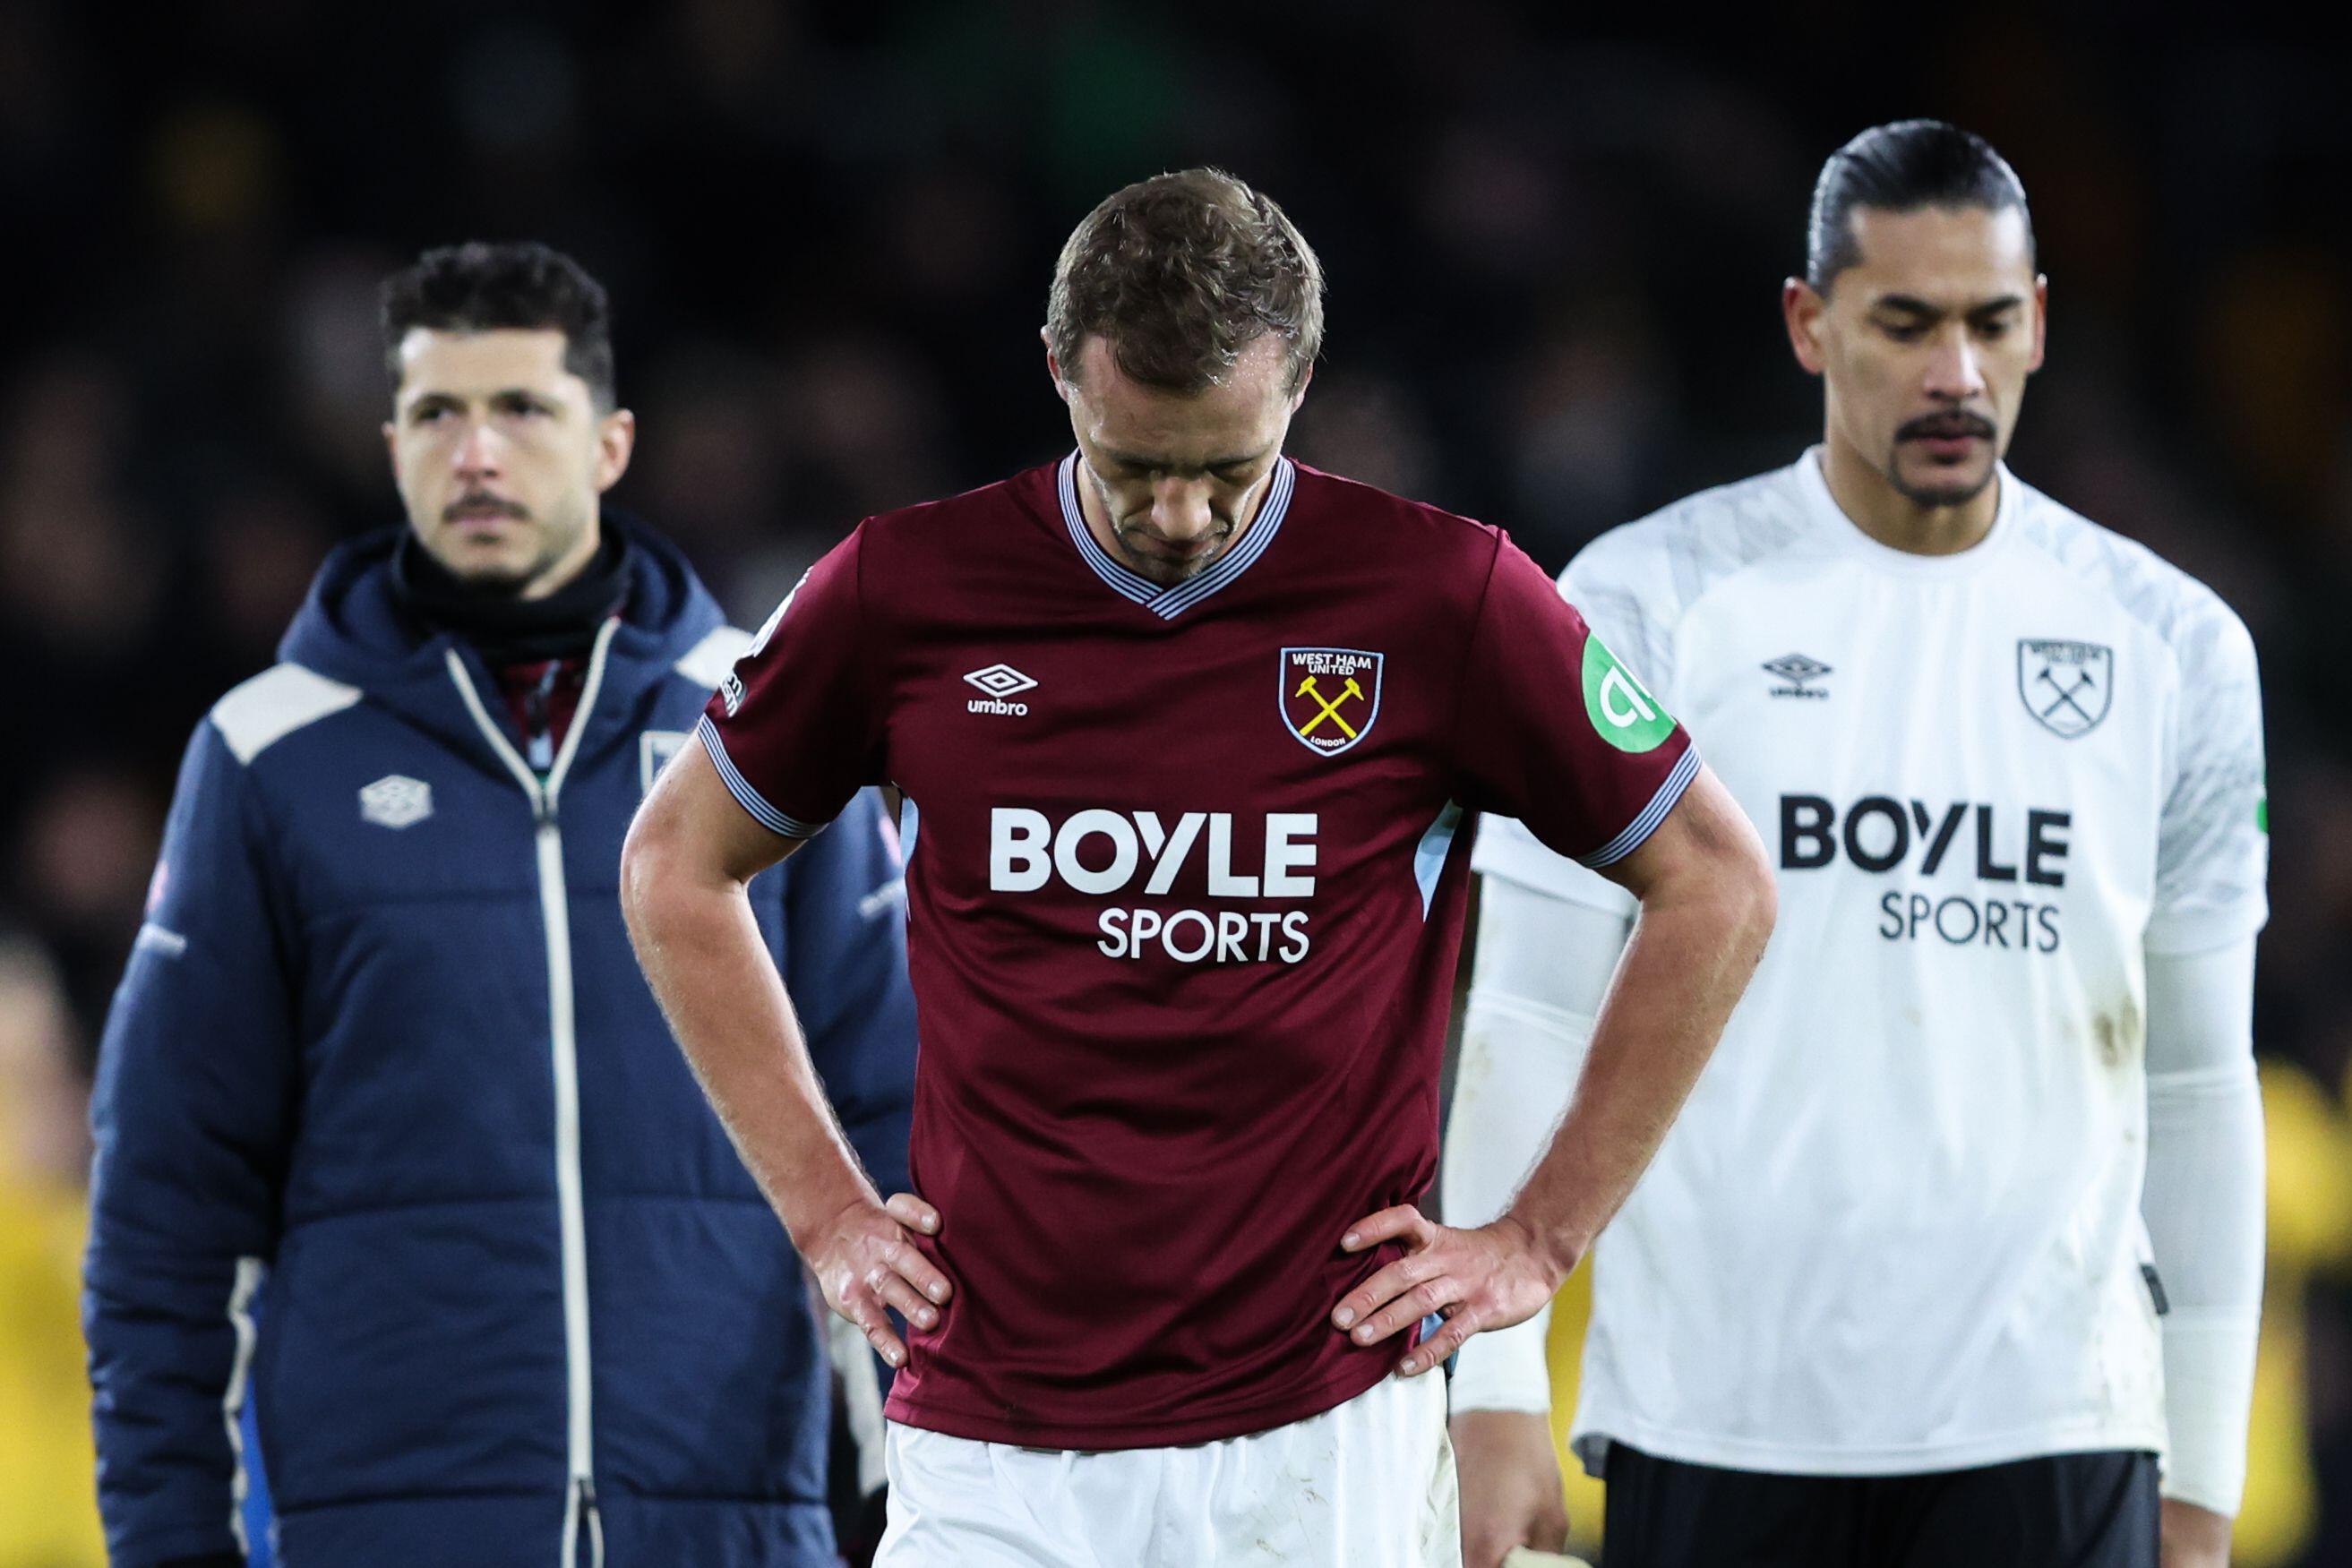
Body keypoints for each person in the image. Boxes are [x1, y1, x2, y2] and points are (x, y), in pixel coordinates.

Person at [618, 167, 1777, 1568]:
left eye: (1227, 470)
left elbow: (1716, 881)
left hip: (1319, 1429)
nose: (1178, 518)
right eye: (1133, 466)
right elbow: (677, 864)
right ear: (1058, 374)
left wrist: (1536, 1240)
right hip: (992, 1432)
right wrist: (823, 1215)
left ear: (1300, 381)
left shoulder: (1439, 599)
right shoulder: (901, 593)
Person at [1446, 121, 2267, 1568]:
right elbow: (1525, 1002)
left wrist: (2199, 1473)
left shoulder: (2172, 646)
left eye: (1988, 323)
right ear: (1808, 324)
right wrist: (1495, 1390)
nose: (1954, 372)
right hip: (1713, 1409)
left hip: (2055, 1418)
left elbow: (2200, 1082)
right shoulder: (1646, 605)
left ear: (2038, 328)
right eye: (1904, 322)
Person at [84, 242, 917, 1568]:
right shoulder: (268, 757)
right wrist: (170, 1541)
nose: (477, 454)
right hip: (391, 1533)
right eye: (436, 414)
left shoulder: (770, 727)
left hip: (735, 1531)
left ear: (611, 443)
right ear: (390, 445)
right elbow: (165, 1213)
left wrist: (928, 1510)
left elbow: (906, 1146)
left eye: (522, 408)